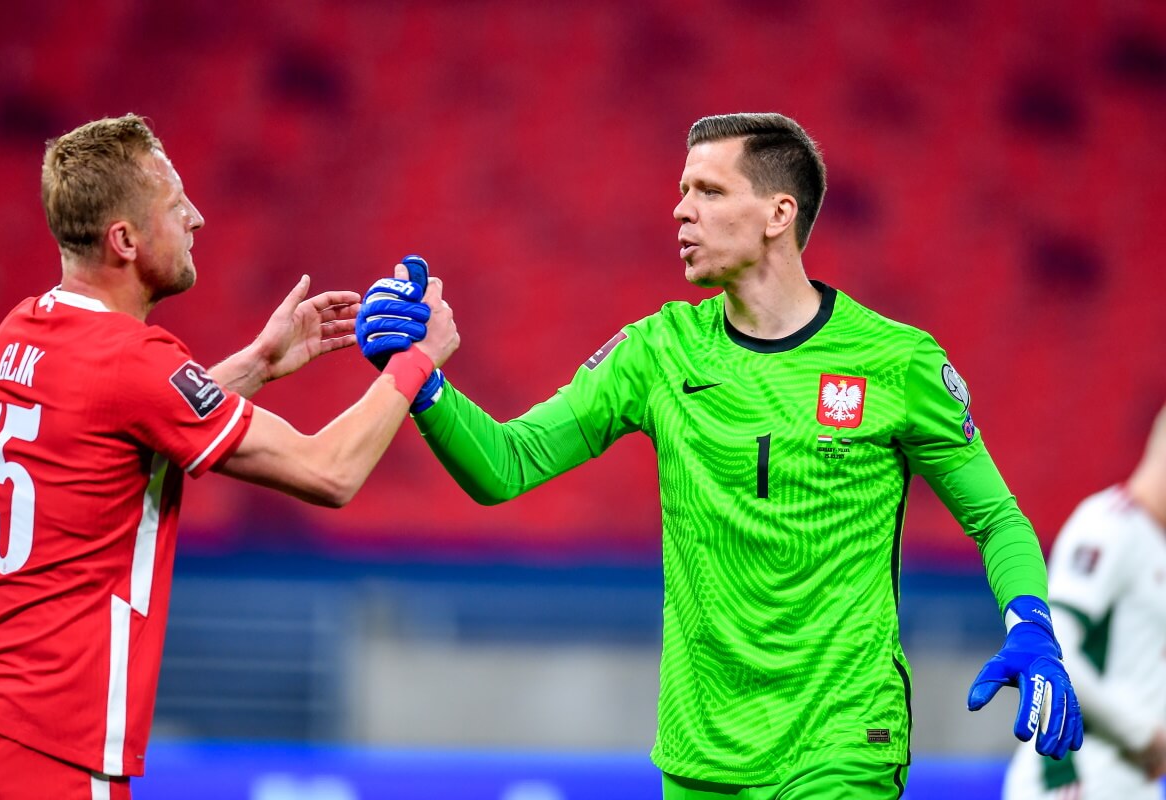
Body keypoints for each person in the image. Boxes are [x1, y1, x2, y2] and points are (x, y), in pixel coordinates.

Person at [357, 112, 1083, 798]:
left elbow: (996, 518)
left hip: (842, 739)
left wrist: (1031, 624)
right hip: (700, 751)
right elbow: (505, 466)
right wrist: (419, 381)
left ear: (778, 214)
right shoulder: (656, 351)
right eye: (681, 191)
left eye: (708, 190)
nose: (680, 210)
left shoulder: (897, 362)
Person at [0, 114, 457, 800]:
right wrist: (415, 365)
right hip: (54, 751)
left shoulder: (20, 334)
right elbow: (328, 471)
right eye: (175, 205)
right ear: (125, 239)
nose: (196, 217)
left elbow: (123, 420)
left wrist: (257, 364)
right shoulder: (134, 363)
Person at [1004, 402, 1166, 800]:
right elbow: (1053, 654)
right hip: (1070, 784)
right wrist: (1144, 734)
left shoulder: (1155, 545)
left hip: (1130, 784)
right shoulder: (1109, 526)